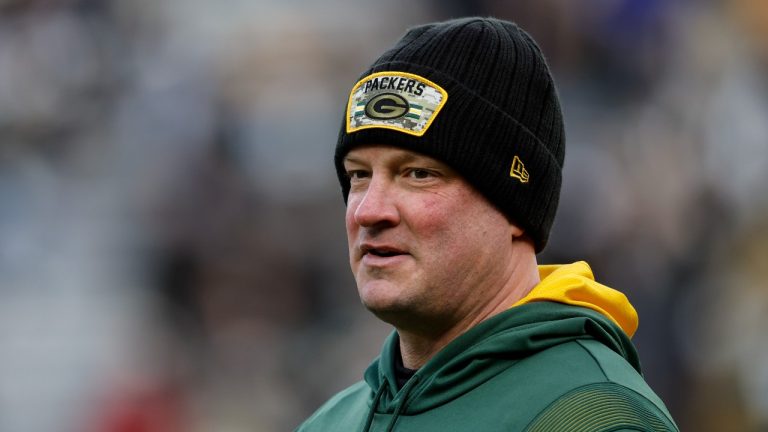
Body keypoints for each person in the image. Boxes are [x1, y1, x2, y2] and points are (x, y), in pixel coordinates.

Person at [296, 17, 678, 432]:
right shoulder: (331, 422)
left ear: (514, 208)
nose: (368, 211)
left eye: (418, 174)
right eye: (358, 175)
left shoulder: (593, 418)